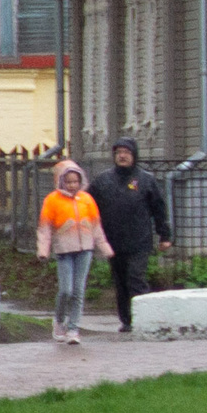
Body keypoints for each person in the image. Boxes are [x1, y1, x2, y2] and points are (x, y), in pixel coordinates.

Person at [93, 137, 173, 332]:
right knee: (120, 282)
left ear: (134, 155)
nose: (122, 156)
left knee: (136, 279)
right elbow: (89, 205)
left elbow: (159, 209)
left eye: (127, 153)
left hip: (139, 241)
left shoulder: (146, 180)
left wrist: (165, 235)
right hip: (113, 241)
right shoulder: (103, 180)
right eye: (119, 152)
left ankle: (144, 319)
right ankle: (127, 320)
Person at [37, 158, 111, 345]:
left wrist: (105, 248)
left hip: (85, 250)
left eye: (75, 181)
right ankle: (60, 320)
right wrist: (43, 250)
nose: (72, 185)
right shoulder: (52, 200)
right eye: (68, 181)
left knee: (78, 290)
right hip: (64, 251)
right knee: (66, 290)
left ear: (81, 181)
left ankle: (73, 329)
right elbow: (45, 228)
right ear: (61, 181)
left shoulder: (87, 200)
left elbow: (96, 227)